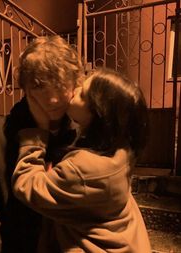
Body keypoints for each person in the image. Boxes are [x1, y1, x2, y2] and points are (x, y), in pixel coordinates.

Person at [12, 68, 151, 253]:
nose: (74, 91)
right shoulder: (120, 147)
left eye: (83, 94)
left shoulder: (84, 169)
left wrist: (36, 134)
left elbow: (26, 185)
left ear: (98, 115)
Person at [0, 35, 83, 253]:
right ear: (25, 87)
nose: (53, 98)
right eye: (39, 85)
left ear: (76, 83)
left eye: (61, 83)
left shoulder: (85, 136)